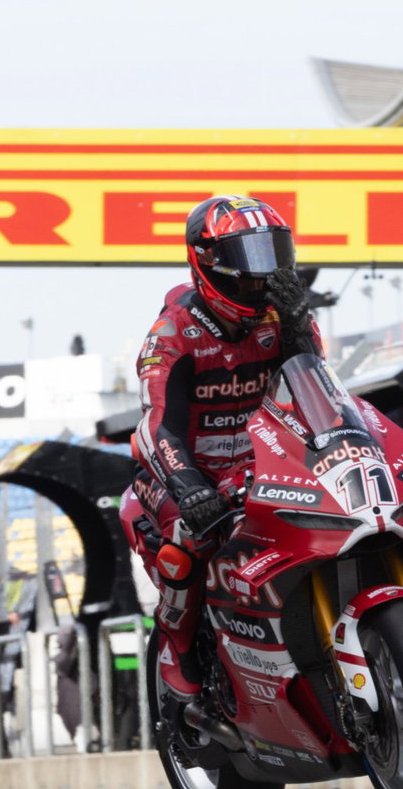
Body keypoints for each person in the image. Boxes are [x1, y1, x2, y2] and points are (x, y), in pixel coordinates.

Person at [118, 195, 322, 711]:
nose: (262, 277)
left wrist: (299, 329)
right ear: (207, 262)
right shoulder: (171, 336)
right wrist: (189, 488)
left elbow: (323, 395)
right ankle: (177, 650)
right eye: (249, 261)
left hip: (267, 464)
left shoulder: (284, 318)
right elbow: (158, 424)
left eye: (271, 255)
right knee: (188, 540)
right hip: (179, 471)